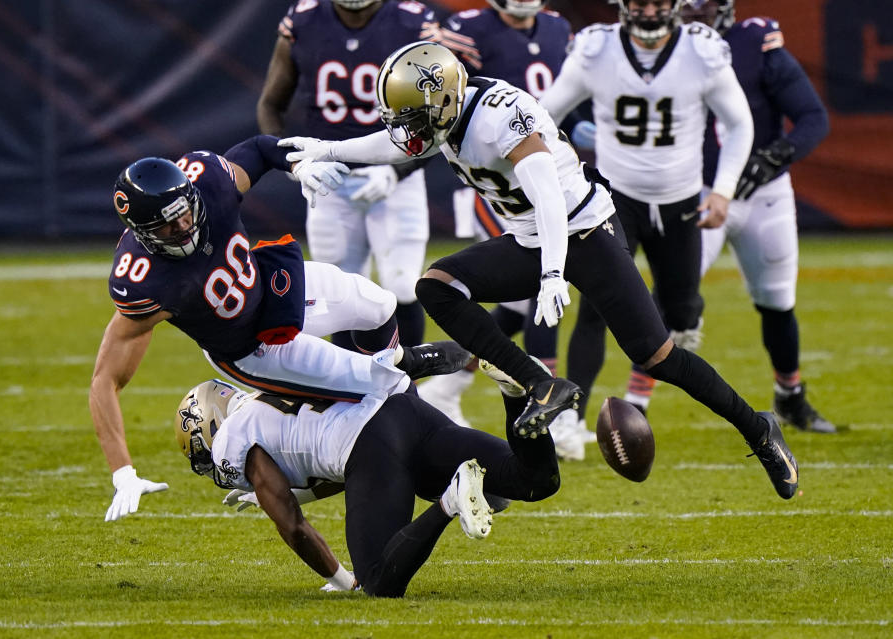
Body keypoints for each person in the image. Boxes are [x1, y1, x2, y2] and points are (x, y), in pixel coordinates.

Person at [281, 40, 799, 500]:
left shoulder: (498, 113)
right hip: (531, 238)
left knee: (658, 355)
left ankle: (758, 429)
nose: (408, 131)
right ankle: (542, 384)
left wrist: (553, 274)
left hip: (584, 232)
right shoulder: (445, 113)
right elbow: (392, 143)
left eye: (415, 117)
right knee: (438, 287)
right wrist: (327, 149)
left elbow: (548, 194)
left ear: (443, 100)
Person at [91, 135, 469, 522]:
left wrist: (297, 166)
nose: (184, 226)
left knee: (380, 305)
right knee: (384, 390)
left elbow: (256, 150)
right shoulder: (144, 281)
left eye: (184, 213)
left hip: (271, 286)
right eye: (168, 226)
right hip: (252, 349)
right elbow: (105, 380)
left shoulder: (209, 183)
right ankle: (433, 456)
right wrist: (123, 473)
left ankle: (396, 372)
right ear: (143, 232)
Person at [538, 0, 754, 431]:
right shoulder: (595, 50)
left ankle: (661, 354)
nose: (650, 12)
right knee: (596, 307)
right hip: (614, 199)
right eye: (641, 3)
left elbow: (741, 123)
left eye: (659, 3)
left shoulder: (702, 50)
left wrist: (724, 191)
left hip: (682, 201)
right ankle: (570, 422)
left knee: (681, 310)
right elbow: (542, 116)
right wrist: (557, 172)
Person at [173, 362, 560, 597]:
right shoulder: (265, 392)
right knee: (534, 479)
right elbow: (328, 462)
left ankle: (451, 498)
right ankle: (514, 395)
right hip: (405, 411)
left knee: (378, 581)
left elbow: (293, 528)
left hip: (372, 445)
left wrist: (343, 580)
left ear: (210, 426)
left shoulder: (233, 438)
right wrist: (299, 493)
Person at [414, 0, 593, 460]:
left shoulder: (555, 28)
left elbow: (556, 105)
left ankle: (449, 386)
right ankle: (555, 405)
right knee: (538, 290)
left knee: (515, 308)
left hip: (536, 167)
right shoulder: (467, 29)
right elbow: (442, 100)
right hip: (498, 185)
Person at [648, 0, 833, 433]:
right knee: (671, 295)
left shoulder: (753, 41)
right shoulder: (650, 49)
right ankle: (636, 401)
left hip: (761, 191)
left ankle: (790, 394)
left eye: (703, 5)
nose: (694, 14)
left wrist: (776, 157)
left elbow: (812, 116)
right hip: (697, 189)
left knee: (776, 299)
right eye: (686, 6)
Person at [256, 0, 441, 349]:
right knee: (340, 293)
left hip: (396, 174)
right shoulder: (304, 19)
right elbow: (270, 104)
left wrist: (396, 171)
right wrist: (297, 163)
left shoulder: (412, 22)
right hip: (330, 179)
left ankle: (407, 388)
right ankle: (349, 392)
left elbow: (437, 114)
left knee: (403, 285)